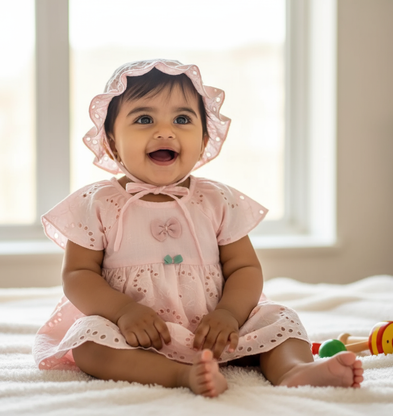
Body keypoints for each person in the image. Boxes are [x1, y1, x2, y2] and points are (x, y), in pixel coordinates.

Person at [33, 59, 364, 397]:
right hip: (140, 335)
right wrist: (123, 312)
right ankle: (180, 375)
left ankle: (294, 370)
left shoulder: (216, 200)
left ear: (205, 140)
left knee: (279, 318)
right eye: (144, 119)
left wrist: (229, 315)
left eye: (182, 119)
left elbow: (244, 267)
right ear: (112, 142)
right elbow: (78, 274)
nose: (165, 131)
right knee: (90, 343)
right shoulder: (98, 203)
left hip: (217, 331)